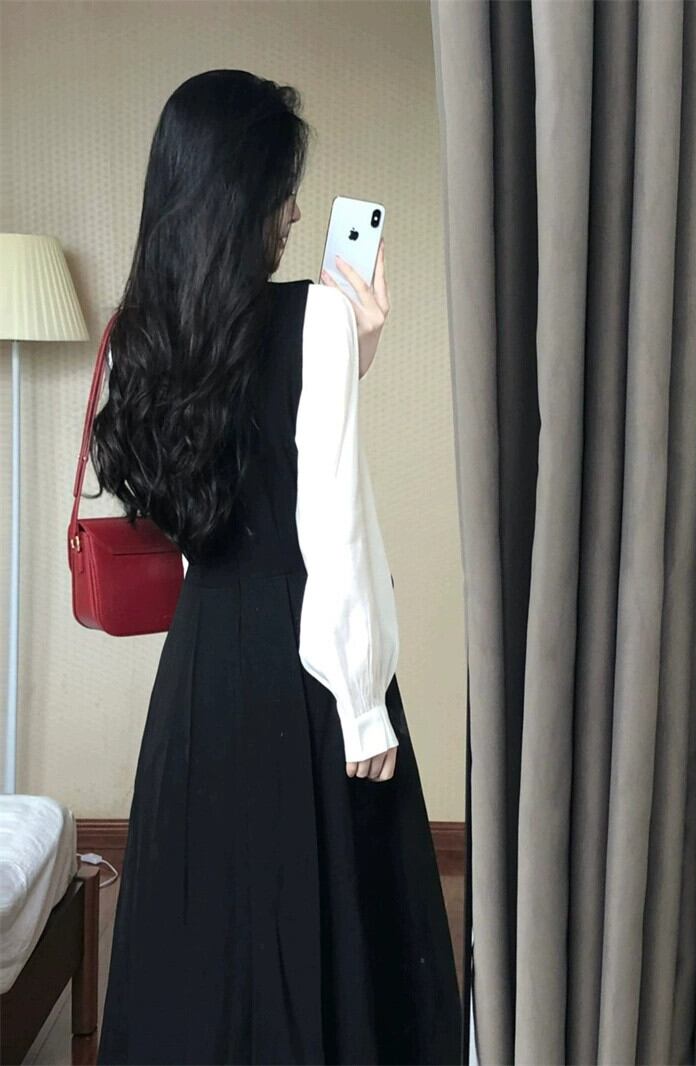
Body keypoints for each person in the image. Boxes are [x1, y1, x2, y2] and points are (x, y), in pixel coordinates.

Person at [92, 69, 462, 1065]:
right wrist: (363, 706)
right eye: (281, 188)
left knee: (205, 921)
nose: (295, 211)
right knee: (327, 922)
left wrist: (352, 355)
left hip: (202, 662)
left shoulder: (142, 335)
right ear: (241, 191)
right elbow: (329, 529)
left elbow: (224, 478)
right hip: (307, 663)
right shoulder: (317, 319)